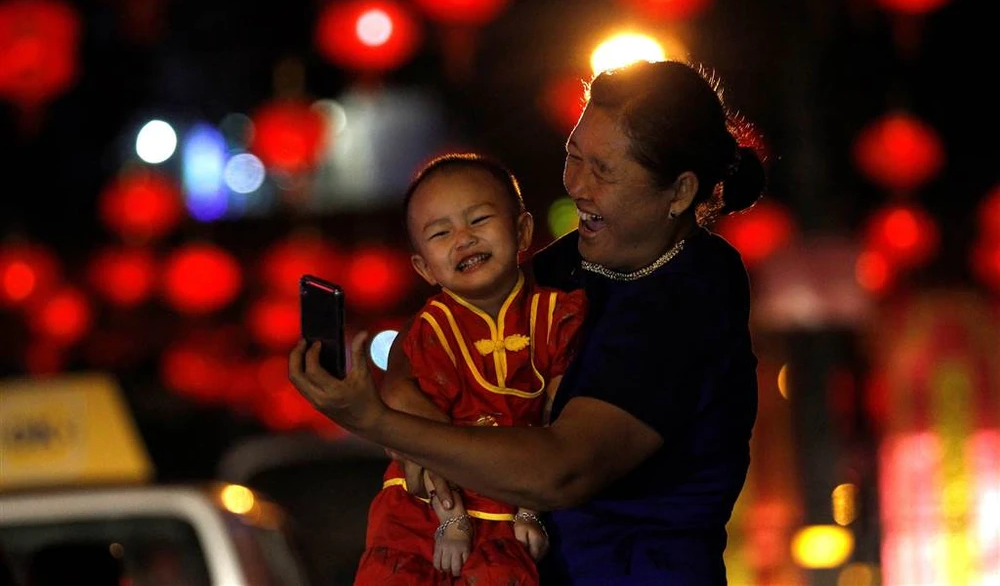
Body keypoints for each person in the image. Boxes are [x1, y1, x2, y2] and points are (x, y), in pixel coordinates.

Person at [290, 59, 766, 584]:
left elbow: (563, 470)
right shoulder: (575, 263)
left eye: (602, 170)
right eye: (573, 156)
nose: (577, 185)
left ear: (678, 193)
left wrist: (377, 422)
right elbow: (436, 330)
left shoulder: (694, 290)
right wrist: (413, 406)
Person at [352, 153, 587, 585]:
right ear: (423, 267)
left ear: (522, 231)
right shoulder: (429, 332)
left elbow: (553, 422)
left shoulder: (557, 316)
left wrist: (529, 510)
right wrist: (452, 519)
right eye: (441, 233)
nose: (463, 240)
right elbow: (420, 439)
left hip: (508, 504)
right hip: (425, 514)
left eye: (479, 220)